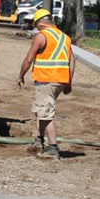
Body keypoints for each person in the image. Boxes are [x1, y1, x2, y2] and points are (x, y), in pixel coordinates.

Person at [17, 8, 75, 160]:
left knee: (46, 115)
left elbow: (29, 59)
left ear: (41, 23)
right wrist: (68, 82)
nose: (36, 27)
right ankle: (38, 140)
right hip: (60, 81)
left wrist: (20, 75)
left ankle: (53, 148)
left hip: (47, 81)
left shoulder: (41, 36)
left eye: (36, 24)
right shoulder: (64, 37)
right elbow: (72, 60)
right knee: (42, 110)